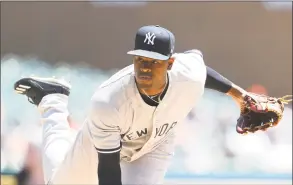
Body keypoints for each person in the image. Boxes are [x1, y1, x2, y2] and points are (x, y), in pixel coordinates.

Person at [14, 25, 258, 185]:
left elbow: (201, 70)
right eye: (140, 59)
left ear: (171, 63)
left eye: (154, 61)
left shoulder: (188, 74)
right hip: (105, 146)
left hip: (155, 144)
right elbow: (108, 172)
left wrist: (242, 96)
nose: (145, 67)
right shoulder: (108, 100)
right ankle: (53, 101)